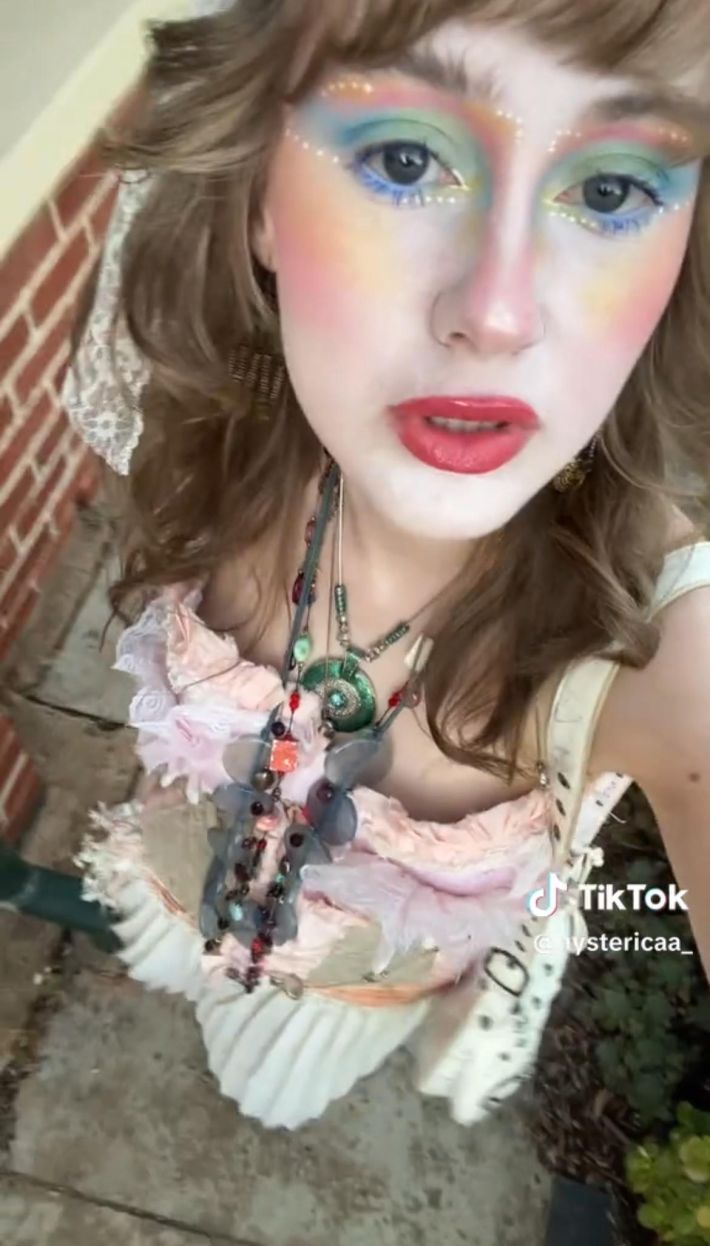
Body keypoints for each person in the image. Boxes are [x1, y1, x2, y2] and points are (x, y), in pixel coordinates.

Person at [68, 0, 710, 1131]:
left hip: (337, 1006)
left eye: (611, 188)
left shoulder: (653, 639)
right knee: (168, 955)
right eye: (405, 158)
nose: (497, 313)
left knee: (263, 1091)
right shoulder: (219, 420)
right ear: (258, 197)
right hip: (172, 882)